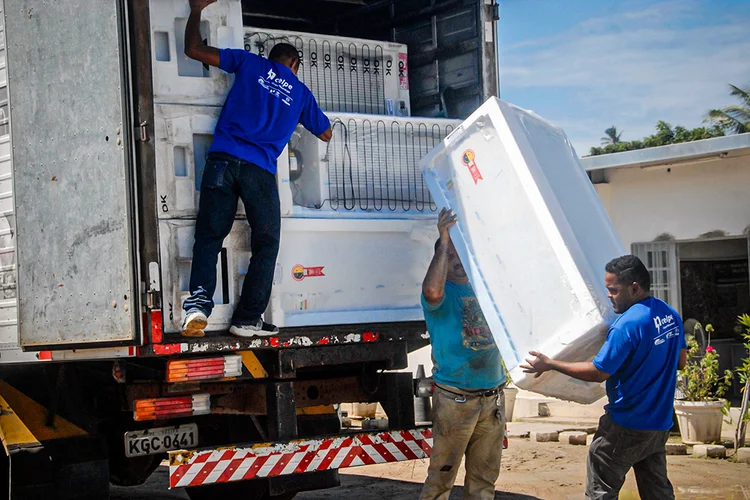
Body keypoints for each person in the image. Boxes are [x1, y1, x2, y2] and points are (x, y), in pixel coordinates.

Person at [180, 0, 332, 338]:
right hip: (259, 172)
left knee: (208, 236)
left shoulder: (248, 62)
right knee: (266, 243)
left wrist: (196, 10)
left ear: (272, 58)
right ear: (294, 63)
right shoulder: (301, 92)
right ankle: (247, 319)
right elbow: (325, 132)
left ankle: (198, 306)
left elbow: (193, 49)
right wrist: (295, 108)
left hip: (222, 160)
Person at [521, 255, 688, 500]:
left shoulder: (627, 325)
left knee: (601, 490)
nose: (609, 296)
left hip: (626, 424)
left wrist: (550, 364)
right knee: (658, 492)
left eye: (614, 290)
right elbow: (681, 361)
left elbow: (599, 372)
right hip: (659, 424)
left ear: (634, 287)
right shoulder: (669, 315)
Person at [419, 208, 506, 500]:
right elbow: (431, 289)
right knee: (440, 481)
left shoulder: (484, 288)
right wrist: (443, 241)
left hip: (491, 399)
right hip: (455, 400)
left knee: (484, 481)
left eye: (460, 256)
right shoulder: (439, 296)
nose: (457, 263)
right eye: (450, 257)